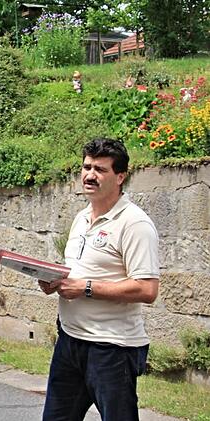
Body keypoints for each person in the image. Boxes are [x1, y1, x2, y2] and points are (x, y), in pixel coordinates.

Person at [39, 138, 160, 421]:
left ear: (120, 177)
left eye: (100, 169)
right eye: (86, 167)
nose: (90, 175)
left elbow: (147, 288)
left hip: (111, 348)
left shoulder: (135, 223)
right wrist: (55, 280)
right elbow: (80, 271)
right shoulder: (82, 217)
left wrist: (85, 288)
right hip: (69, 341)